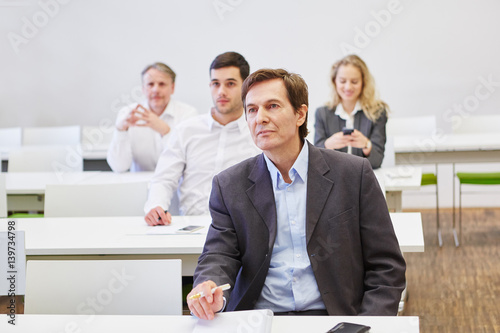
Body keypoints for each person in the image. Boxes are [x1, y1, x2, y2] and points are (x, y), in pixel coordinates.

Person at [188, 69, 405, 319]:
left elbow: (387, 266)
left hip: (333, 316)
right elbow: (219, 254)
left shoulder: (353, 174)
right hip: (260, 317)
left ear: (300, 114)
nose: (260, 118)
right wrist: (208, 285)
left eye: (272, 106)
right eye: (252, 110)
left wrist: (369, 323)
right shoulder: (230, 185)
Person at [144, 52, 260, 225]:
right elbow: (163, 178)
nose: (221, 92)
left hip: (243, 229)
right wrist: (156, 206)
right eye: (215, 84)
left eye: (230, 84)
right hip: (192, 227)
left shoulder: (259, 133)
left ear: (246, 87)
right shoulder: (186, 130)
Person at [107, 62, 197, 172]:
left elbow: (191, 163)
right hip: (138, 186)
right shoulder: (128, 114)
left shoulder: (188, 114)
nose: (155, 90)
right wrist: (121, 130)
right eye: (150, 84)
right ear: (143, 88)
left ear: (172, 88)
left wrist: (166, 131)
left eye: (162, 84)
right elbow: (119, 167)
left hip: (176, 186)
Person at [314, 54, 389, 169]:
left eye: (354, 82)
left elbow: (377, 161)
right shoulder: (322, 114)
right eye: (343, 81)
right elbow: (315, 160)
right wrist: (327, 145)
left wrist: (366, 145)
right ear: (335, 82)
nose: (348, 87)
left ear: (363, 82)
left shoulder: (377, 113)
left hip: (365, 178)